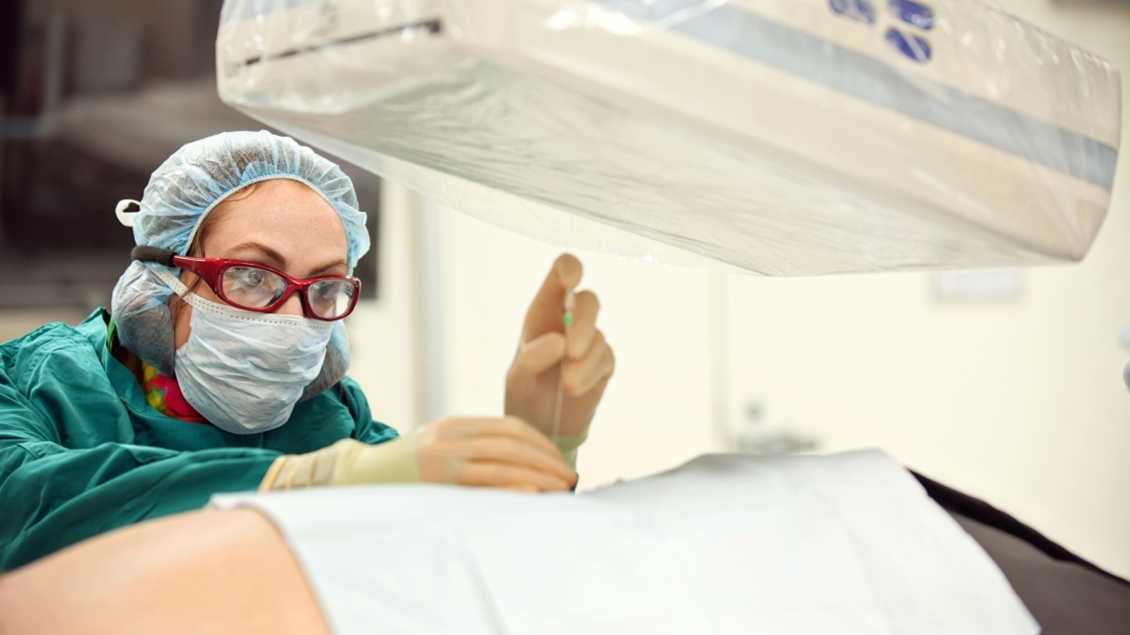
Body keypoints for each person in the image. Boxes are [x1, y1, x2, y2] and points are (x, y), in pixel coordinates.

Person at [0, 130, 615, 571]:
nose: (292, 320)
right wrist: (303, 485)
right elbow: (30, 506)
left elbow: (460, 568)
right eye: (252, 275)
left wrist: (541, 451)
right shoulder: (35, 386)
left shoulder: (333, 420)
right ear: (163, 277)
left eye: (323, 287)